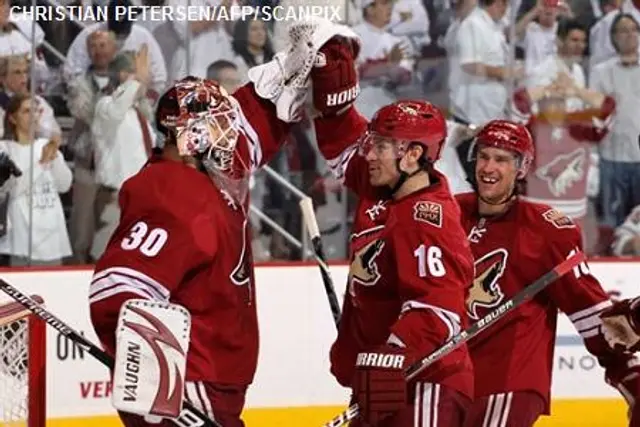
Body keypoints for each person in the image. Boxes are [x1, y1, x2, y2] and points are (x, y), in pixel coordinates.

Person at [87, 16, 361, 425]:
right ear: (191, 137)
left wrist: (299, 65)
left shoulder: (211, 169)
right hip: (189, 390)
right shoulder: (171, 191)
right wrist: (159, 398)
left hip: (216, 381)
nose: (232, 135)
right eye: (221, 127)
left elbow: (253, 128)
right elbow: (118, 289)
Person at [309, 39, 476, 426]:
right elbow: (341, 147)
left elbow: (438, 310)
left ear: (413, 155)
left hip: (428, 382)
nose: (371, 154)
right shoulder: (382, 188)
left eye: (381, 146)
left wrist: (390, 350)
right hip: (386, 380)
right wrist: (331, 82)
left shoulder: (426, 216)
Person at [453, 119, 640, 426]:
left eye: (501, 160)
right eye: (484, 156)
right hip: (448, 378)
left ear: (522, 169)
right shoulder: (449, 213)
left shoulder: (546, 231)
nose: (488, 167)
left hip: (509, 381)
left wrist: (628, 375)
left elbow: (589, 311)